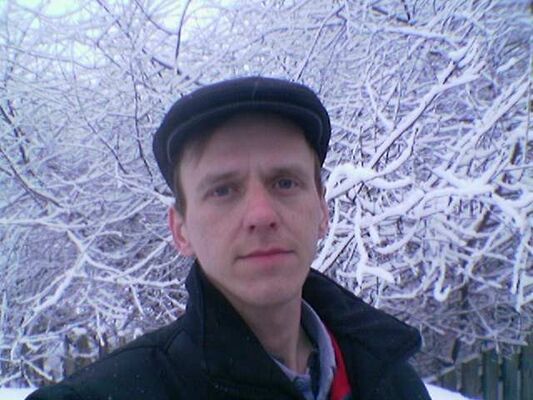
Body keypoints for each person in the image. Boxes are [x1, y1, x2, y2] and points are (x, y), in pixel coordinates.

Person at [27, 77, 431, 400]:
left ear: (322, 211)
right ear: (181, 230)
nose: (261, 215)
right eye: (223, 190)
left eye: (285, 182)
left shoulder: (394, 384)